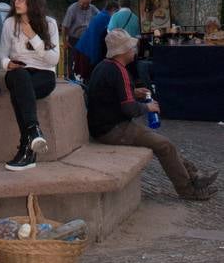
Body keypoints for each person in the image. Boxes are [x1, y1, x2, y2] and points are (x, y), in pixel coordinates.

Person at [87, 29, 218, 201]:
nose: (134, 50)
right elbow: (129, 109)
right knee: (163, 145)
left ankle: (194, 175)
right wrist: (147, 107)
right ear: (124, 51)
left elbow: (110, 93)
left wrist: (133, 92)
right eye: (131, 47)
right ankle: (188, 189)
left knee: (164, 143)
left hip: (104, 126)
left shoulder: (103, 66)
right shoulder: (120, 71)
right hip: (112, 129)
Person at [0, 0, 60, 172]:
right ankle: (33, 133)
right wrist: (7, 64)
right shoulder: (10, 23)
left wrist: (33, 36)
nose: (16, 2)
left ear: (32, 1)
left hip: (44, 75)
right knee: (20, 78)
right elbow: (1, 55)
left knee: (20, 93)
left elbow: (53, 59)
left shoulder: (49, 23)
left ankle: (28, 145)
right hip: (18, 72)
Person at [74, 0, 119, 81]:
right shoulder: (107, 18)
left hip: (82, 49)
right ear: (113, 9)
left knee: (88, 77)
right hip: (89, 52)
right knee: (92, 77)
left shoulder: (100, 15)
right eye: (116, 11)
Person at [62, 0, 99, 78]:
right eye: (84, 3)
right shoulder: (72, 9)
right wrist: (65, 41)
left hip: (87, 38)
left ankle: (84, 75)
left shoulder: (92, 8)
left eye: (88, 3)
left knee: (86, 58)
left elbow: (100, 17)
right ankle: (70, 75)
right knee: (72, 58)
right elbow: (65, 26)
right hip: (74, 37)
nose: (85, 5)